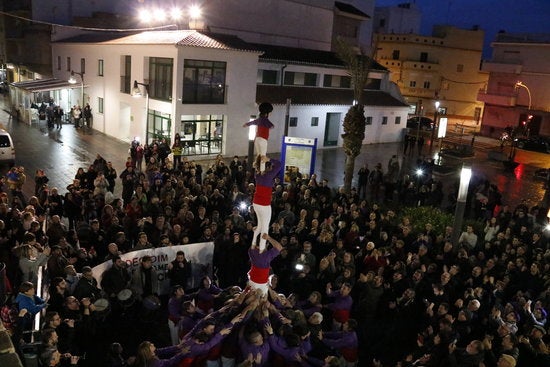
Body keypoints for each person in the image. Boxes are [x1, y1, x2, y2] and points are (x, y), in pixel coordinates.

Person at [252, 156, 282, 251]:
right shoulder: (268, 175)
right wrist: (269, 159)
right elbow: (279, 164)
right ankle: (261, 249)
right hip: (264, 205)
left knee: (260, 225)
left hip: (256, 203)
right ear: (268, 167)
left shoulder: (257, 175)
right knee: (265, 228)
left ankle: (254, 242)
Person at [243, 102, 275, 172]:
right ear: (267, 113)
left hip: (257, 139)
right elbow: (272, 126)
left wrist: (246, 124)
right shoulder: (266, 120)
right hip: (263, 140)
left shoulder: (259, 119)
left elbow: (252, 122)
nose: (271, 114)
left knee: (259, 156)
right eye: (270, 112)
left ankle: (257, 170)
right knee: (263, 157)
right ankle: (262, 172)